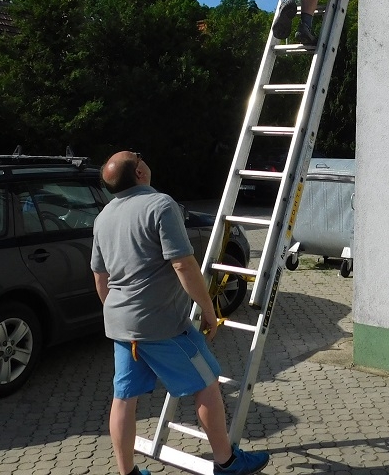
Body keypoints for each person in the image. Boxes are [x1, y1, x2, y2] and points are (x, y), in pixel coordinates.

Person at [90, 151, 270, 475]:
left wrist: (119, 314)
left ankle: (127, 473)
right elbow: (183, 264)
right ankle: (227, 462)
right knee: (207, 382)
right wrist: (208, 309)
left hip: (120, 326)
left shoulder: (103, 217)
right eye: (139, 157)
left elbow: (100, 278)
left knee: (124, 398)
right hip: (162, 325)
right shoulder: (160, 205)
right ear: (140, 172)